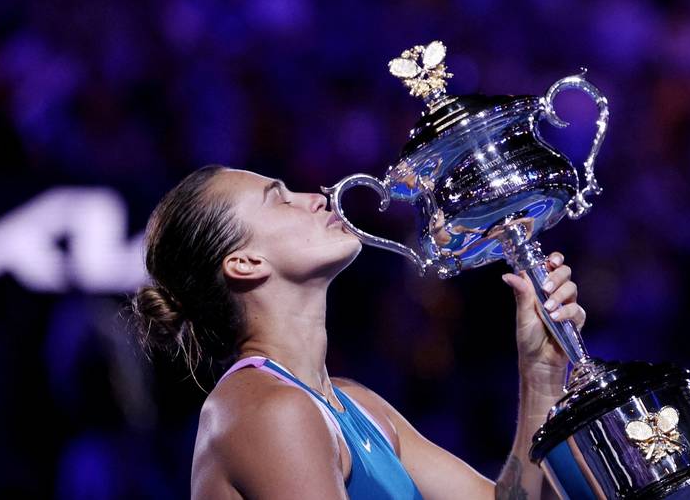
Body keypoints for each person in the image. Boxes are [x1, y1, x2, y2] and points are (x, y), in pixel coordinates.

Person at [131, 165, 587, 500]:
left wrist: (541, 372)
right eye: (281, 198)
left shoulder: (357, 405)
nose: (317, 196)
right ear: (245, 263)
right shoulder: (266, 411)